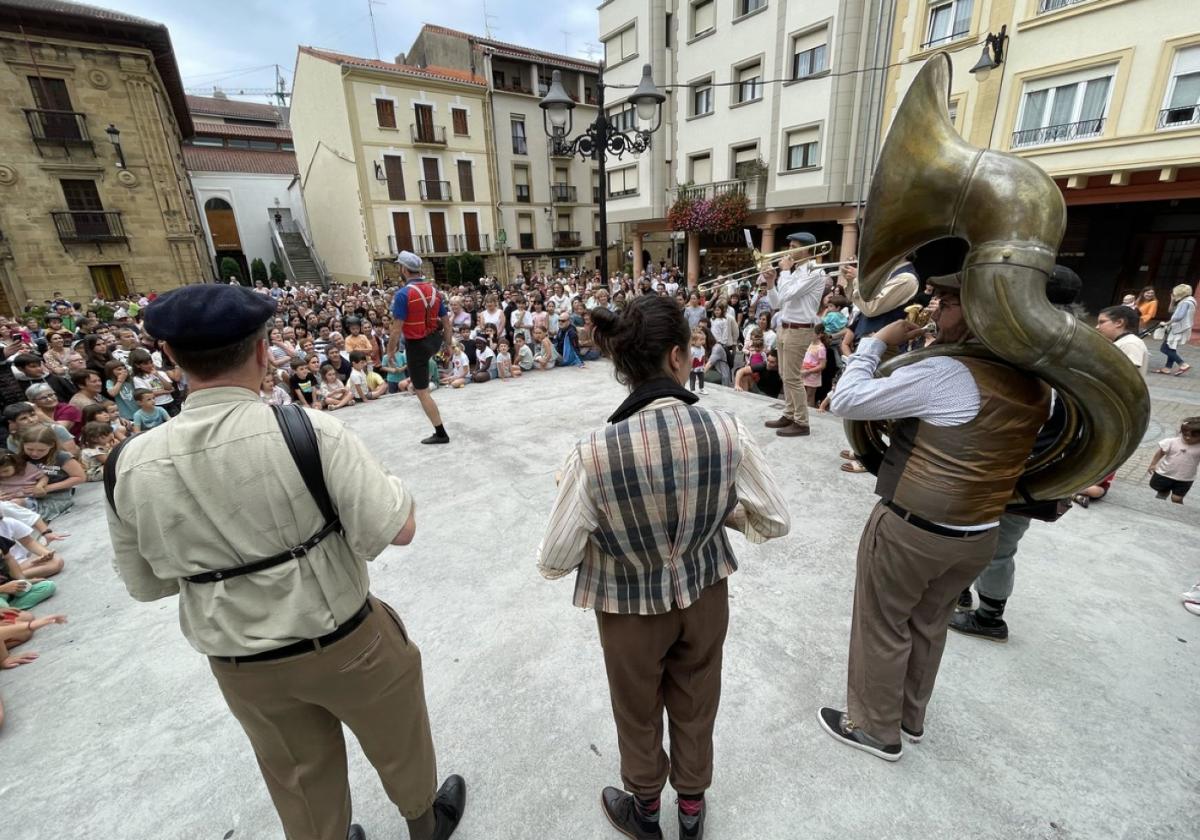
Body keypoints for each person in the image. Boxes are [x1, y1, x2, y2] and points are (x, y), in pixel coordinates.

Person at [106, 283, 466, 840]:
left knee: (298, 778)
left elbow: (147, 585)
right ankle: (424, 823)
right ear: (260, 350)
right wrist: (393, 486)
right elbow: (399, 530)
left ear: (171, 358)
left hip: (239, 660)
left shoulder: (126, 465)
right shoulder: (310, 430)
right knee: (401, 742)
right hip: (344, 639)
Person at [537, 295, 789, 840]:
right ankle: (692, 814)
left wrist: (599, 519)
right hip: (704, 594)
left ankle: (646, 814)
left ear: (622, 366)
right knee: (697, 702)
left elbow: (554, 560)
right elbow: (774, 519)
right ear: (679, 356)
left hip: (627, 609)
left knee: (637, 711)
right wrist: (720, 511)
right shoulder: (726, 430)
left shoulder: (591, 453)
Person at [823, 272, 1050, 760]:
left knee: (882, 624)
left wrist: (876, 342)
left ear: (979, 313)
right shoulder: (1036, 382)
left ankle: (873, 729)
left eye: (945, 301)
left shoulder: (945, 372)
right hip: (980, 533)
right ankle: (910, 718)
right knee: (929, 624)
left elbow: (844, 401)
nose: (931, 307)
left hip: (914, 527)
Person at [763, 232, 826, 437]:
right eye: (789, 246)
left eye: (794, 246)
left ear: (807, 249)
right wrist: (771, 283)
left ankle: (801, 422)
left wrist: (785, 272)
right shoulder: (793, 272)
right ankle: (789, 413)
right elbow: (776, 303)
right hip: (784, 326)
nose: (789, 250)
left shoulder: (814, 271)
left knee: (792, 378)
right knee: (784, 374)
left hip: (800, 329)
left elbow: (788, 293)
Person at [387, 251, 452, 444]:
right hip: (434, 341)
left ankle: (441, 433)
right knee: (423, 375)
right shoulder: (435, 291)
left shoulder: (403, 294)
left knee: (421, 391)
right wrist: (448, 345)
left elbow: (396, 330)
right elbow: (447, 324)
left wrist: (390, 351)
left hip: (416, 346)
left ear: (404, 269)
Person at [1147, 417, 1200, 504]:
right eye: (1185, 434)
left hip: (1185, 478)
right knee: (1162, 492)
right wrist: (1153, 464)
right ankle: (1158, 507)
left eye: (1193, 436)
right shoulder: (1172, 442)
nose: (1187, 438)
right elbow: (1160, 452)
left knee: (1176, 498)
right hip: (1165, 474)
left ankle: (1178, 510)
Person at [1154, 284, 1195, 375]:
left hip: (1178, 329)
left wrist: (1166, 323)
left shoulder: (1185, 303)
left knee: (1164, 348)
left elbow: (1179, 317)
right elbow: (1171, 311)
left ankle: (1183, 364)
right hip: (1181, 328)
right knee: (1171, 348)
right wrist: (1172, 301)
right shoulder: (1186, 301)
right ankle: (1167, 368)